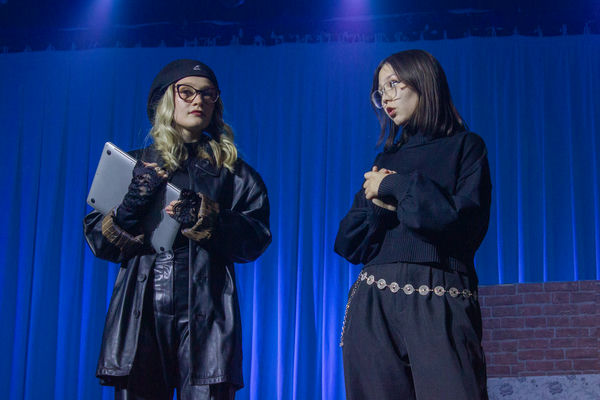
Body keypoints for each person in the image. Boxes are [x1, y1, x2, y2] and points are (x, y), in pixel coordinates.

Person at [84, 59, 271, 400]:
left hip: (207, 313)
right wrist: (129, 207)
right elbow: (99, 242)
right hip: (142, 311)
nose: (199, 100)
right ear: (165, 99)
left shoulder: (234, 174)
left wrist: (207, 218)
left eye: (208, 94)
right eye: (187, 91)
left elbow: (256, 239)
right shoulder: (134, 165)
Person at [334, 49, 491, 399]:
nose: (386, 98)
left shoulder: (466, 147)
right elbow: (348, 244)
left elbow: (464, 225)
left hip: (440, 298)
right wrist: (378, 208)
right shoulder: (386, 159)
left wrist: (395, 186)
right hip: (373, 303)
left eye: (393, 84)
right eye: (380, 92)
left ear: (424, 81)